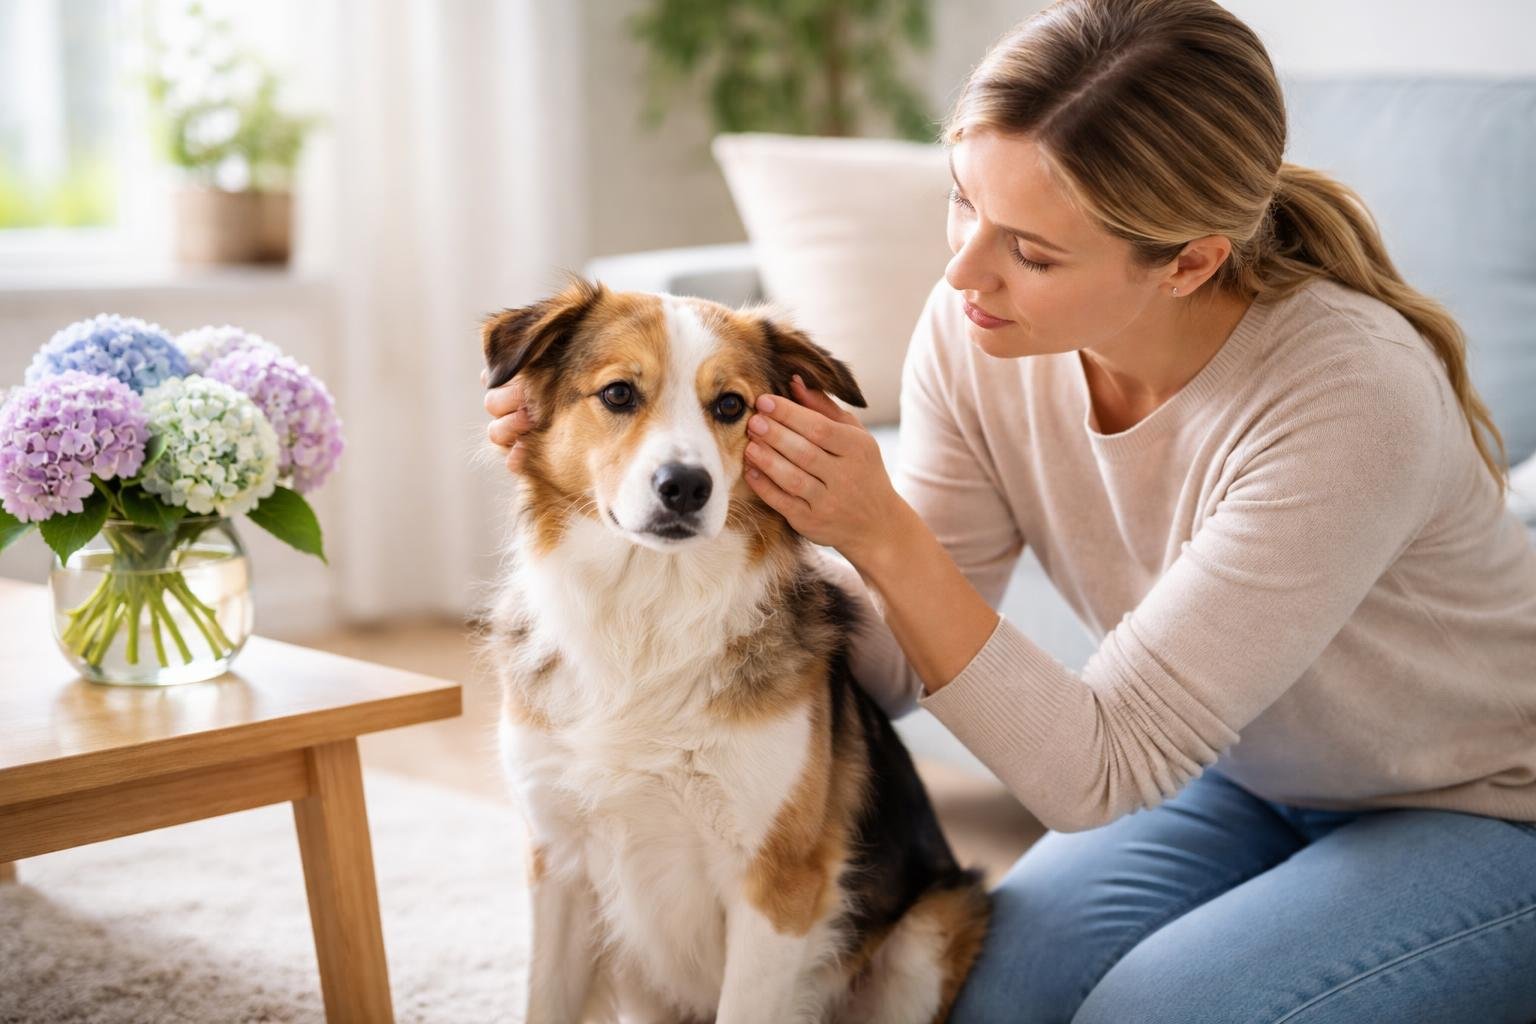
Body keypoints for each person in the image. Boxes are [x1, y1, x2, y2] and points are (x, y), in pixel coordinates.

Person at [483, 0, 1536, 1019]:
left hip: (1482, 797)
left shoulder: (1350, 398)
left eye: (1031, 251)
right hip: (1240, 772)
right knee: (998, 998)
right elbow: (891, 670)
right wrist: (700, 504)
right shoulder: (979, 329)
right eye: (963, 200)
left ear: (1190, 261)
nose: (963, 271)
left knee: (1153, 1013)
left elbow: (1100, 766)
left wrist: (879, 526)